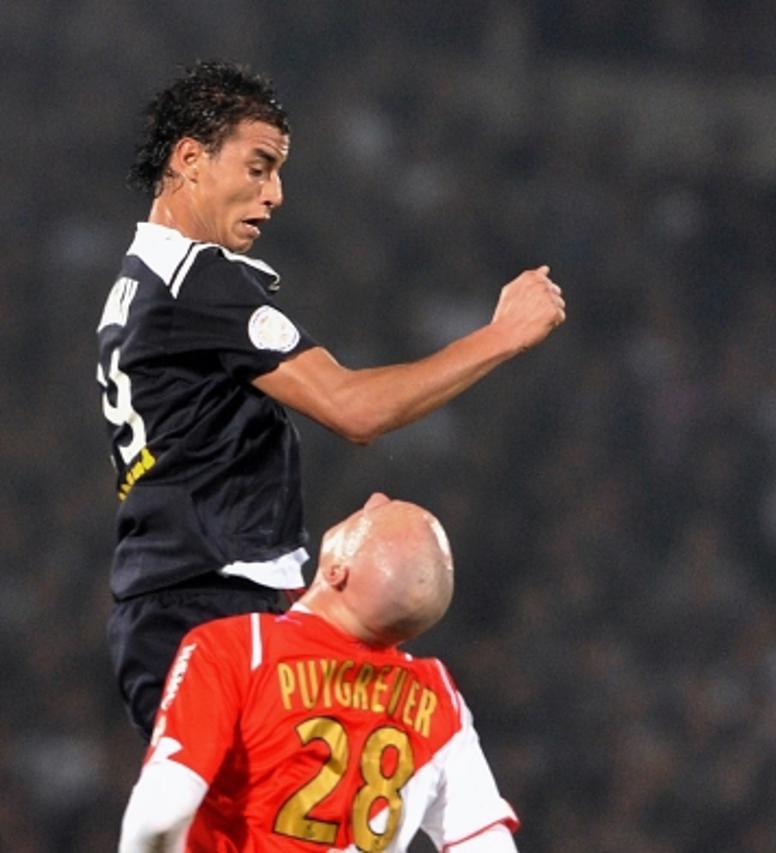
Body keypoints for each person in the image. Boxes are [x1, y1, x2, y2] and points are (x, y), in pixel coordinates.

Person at [96, 60, 565, 740]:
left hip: (183, 604)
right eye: (259, 167)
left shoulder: (140, 281)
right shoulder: (197, 281)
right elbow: (354, 409)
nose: (275, 193)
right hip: (206, 610)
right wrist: (502, 336)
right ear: (190, 159)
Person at [118, 492, 520, 852]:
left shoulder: (240, 648)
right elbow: (485, 841)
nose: (376, 496)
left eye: (370, 517)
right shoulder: (439, 699)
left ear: (336, 572)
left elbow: (159, 817)